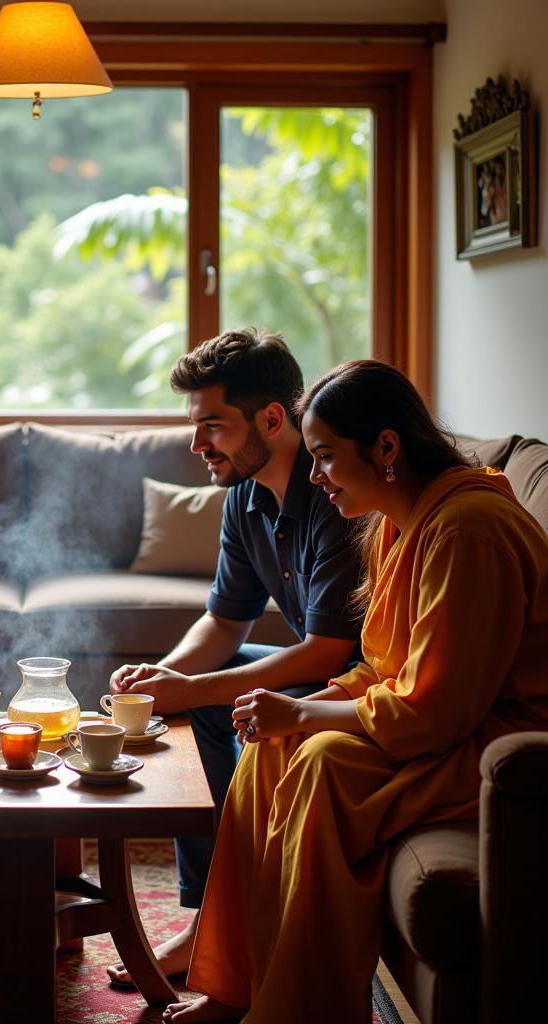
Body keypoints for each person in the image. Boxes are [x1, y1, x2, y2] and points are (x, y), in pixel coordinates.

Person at [166, 360, 548, 1023]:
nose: (317, 477)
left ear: (387, 448)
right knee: (268, 748)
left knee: (318, 762)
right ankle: (235, 985)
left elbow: (436, 710)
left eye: (327, 458)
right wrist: (296, 712)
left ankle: (296, 1009)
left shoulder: (468, 529)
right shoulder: (402, 521)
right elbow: (382, 665)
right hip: (434, 716)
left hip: (498, 737)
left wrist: (309, 714)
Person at [106, 327, 363, 987]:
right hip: (314, 667)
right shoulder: (246, 496)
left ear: (273, 419)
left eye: (212, 426)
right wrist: (167, 675)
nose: (196, 445)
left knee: (214, 701)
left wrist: (194, 690)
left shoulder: (337, 493)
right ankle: (206, 918)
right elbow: (224, 622)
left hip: (355, 686)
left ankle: (233, 926)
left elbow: (328, 653)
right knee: (195, 698)